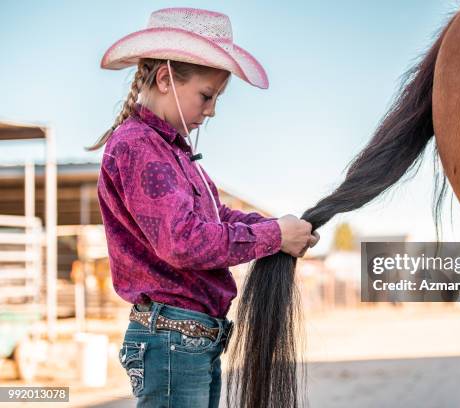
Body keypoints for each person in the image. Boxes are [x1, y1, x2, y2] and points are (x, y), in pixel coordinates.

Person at [89, 7, 319, 407]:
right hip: (173, 340)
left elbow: (217, 217)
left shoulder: (171, 151)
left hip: (186, 340)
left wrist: (279, 229)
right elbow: (183, 241)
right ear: (165, 79)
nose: (211, 110)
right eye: (206, 96)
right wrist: (275, 235)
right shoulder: (139, 146)